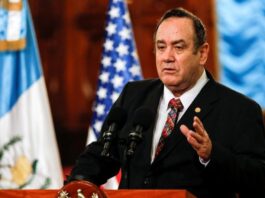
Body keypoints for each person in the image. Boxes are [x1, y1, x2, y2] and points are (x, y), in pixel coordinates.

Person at [67, 7, 265, 198]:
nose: (167, 57)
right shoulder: (133, 96)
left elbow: (258, 179)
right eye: (161, 47)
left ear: (202, 53)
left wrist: (212, 154)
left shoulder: (239, 110)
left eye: (179, 47)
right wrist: (74, 186)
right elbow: (102, 154)